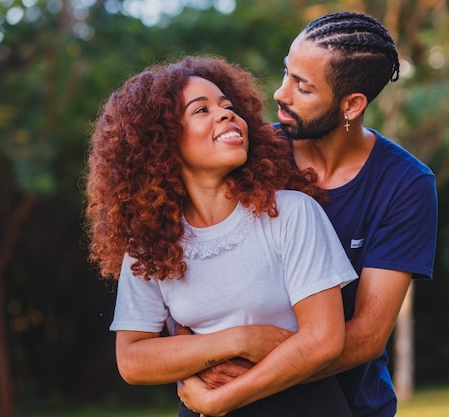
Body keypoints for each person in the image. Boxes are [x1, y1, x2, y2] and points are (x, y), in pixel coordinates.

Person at [187, 12, 438, 417]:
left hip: (350, 405)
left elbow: (368, 334)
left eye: (302, 87)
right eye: (287, 73)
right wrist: (199, 361)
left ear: (351, 105)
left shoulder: (406, 184)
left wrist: (244, 383)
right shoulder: (248, 153)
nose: (280, 94)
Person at [84, 56, 358, 416]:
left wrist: (221, 398)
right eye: (201, 110)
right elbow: (133, 359)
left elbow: (323, 340)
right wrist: (241, 341)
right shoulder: (148, 245)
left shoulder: (291, 213)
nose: (227, 114)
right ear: (161, 140)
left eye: (228, 106)